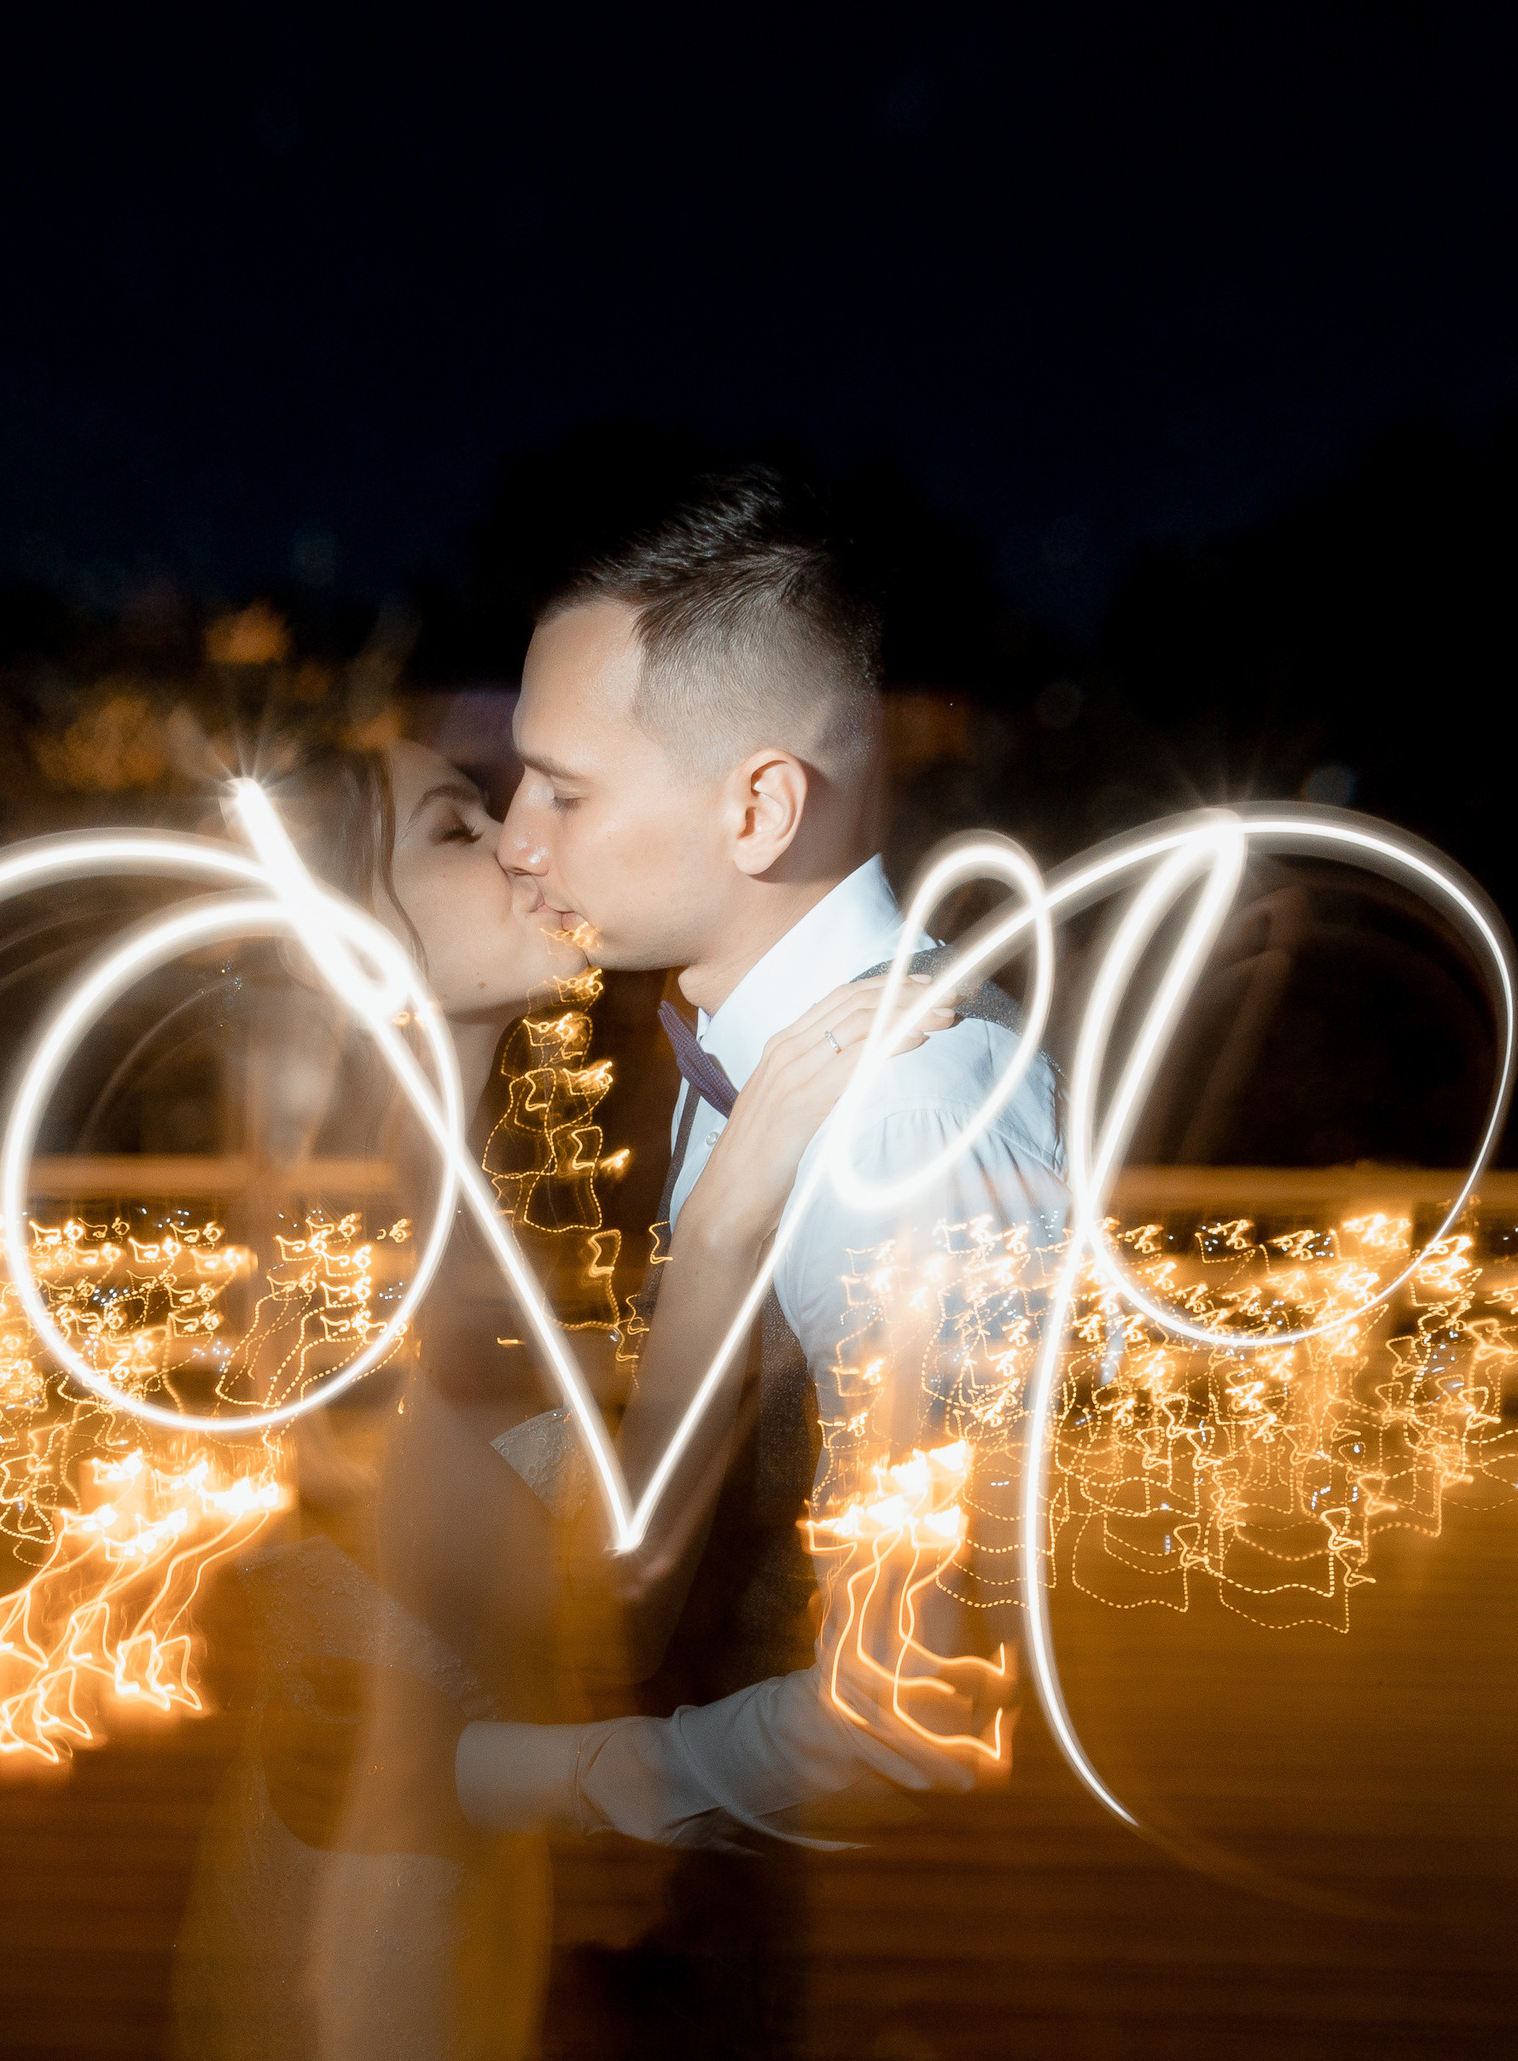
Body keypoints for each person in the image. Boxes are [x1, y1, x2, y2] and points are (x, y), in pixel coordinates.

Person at [171, 730, 947, 2061]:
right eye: (457, 830)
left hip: (453, 1903)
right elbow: (609, 1588)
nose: (527, 846)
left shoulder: (439, 1199)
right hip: (355, 1953)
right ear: (332, 936)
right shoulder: (338, 1248)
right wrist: (730, 1214)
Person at [456, 466, 1068, 1858]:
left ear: (759, 811)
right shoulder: (755, 1052)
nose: (517, 840)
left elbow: (907, 1694)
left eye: (563, 790)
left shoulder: (899, 1113)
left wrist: (505, 1779)